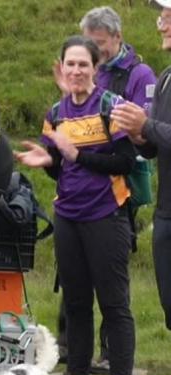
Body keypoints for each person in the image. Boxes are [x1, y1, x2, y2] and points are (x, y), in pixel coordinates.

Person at [16, 36, 137, 375]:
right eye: (70, 64)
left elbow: (124, 161)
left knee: (115, 305)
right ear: (62, 67)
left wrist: (75, 154)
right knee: (76, 304)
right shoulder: (55, 113)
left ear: (96, 69)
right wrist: (48, 161)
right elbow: (62, 169)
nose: (76, 71)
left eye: (84, 64)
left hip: (107, 216)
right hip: (68, 216)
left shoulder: (111, 108)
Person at [54, 6, 159, 374]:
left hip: (114, 197)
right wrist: (52, 157)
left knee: (114, 297)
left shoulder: (138, 74)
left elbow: (138, 137)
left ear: (117, 39)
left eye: (96, 52)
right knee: (76, 296)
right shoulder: (58, 107)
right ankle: (76, 372)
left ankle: (116, 369)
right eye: (79, 57)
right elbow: (59, 161)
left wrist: (85, 149)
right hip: (71, 208)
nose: (87, 61)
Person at [113, 1, 171, 336]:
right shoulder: (165, 78)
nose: (160, 26)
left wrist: (146, 125)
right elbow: (154, 145)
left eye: (166, 18)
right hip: (166, 211)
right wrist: (136, 134)